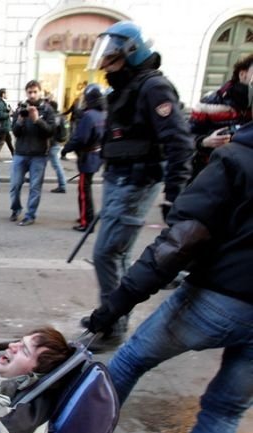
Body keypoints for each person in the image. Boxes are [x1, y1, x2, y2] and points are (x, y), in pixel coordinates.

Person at [84, 121, 253, 433]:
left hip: (219, 299)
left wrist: (117, 303)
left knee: (130, 360)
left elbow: (178, 244)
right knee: (225, 410)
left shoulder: (236, 158)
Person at [79, 21, 193, 348]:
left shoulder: (154, 87)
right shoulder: (129, 88)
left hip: (136, 182)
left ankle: (112, 327)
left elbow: (178, 143)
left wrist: (175, 196)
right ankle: (113, 315)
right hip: (120, 180)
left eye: (111, 60)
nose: (105, 67)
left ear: (131, 53)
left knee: (107, 254)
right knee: (118, 254)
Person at [188, 53, 253, 181]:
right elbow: (186, 136)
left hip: (245, 176)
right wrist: (204, 141)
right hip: (209, 172)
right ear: (243, 74)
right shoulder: (210, 102)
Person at [9, 80, 56, 226]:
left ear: (40, 92)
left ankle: (30, 215)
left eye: (35, 91)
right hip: (21, 153)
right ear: (26, 93)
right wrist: (20, 121)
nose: (32, 95)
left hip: (39, 155)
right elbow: (15, 132)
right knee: (15, 184)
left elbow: (50, 132)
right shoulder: (21, 108)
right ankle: (16, 208)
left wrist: (37, 120)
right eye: (30, 92)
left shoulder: (47, 110)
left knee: (35, 187)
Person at [61, 84, 106, 232]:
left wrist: (66, 149)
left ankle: (87, 221)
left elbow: (80, 138)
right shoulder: (104, 114)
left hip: (87, 157)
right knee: (85, 189)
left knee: (83, 191)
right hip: (97, 155)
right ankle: (86, 216)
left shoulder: (89, 116)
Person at [46, 100, 68, 194]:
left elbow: (51, 132)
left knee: (56, 164)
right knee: (40, 162)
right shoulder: (61, 116)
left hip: (53, 144)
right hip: (58, 143)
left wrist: (48, 145)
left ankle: (62, 185)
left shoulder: (54, 117)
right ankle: (32, 178)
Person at [0, 88, 15, 160]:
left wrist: (10, 112)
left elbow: (6, 112)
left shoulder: (3, 102)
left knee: (9, 141)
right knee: (1, 141)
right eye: (6, 93)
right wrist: (8, 114)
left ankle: (14, 155)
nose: (7, 95)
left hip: (5, 126)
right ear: (3, 94)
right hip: (2, 126)